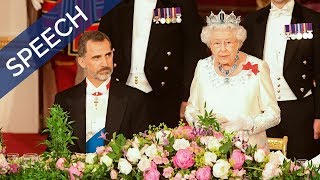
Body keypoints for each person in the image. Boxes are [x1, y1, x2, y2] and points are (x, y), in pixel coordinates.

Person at [98, 0, 208, 128]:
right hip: (121, 91)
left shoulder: (181, 2)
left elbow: (193, 49)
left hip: (165, 94)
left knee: (162, 145)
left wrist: (187, 96)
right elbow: (101, 44)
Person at [185, 10, 281, 150]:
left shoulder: (258, 67)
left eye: (229, 42)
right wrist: (201, 123)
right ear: (209, 45)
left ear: (239, 43)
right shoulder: (202, 67)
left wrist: (248, 123)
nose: (223, 49)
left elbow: (274, 114)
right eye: (217, 43)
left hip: (250, 154)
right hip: (209, 152)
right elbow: (191, 108)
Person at [241, 0, 320, 159]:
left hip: (300, 109)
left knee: (301, 166)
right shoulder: (252, 21)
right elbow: (244, 70)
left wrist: (319, 115)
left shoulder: (313, 20)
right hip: (262, 110)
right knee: (262, 166)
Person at [54, 31, 149, 153]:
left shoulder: (134, 98)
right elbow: (55, 149)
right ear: (82, 62)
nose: (105, 63)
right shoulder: (64, 100)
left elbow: (142, 147)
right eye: (96, 57)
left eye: (108, 55)